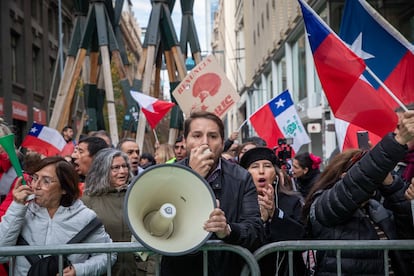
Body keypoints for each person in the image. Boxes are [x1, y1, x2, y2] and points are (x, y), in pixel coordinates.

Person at [302, 110, 414, 275]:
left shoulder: (376, 209)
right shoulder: (323, 205)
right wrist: (398, 141)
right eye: (356, 172)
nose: (369, 181)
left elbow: (406, 229)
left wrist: (391, 185)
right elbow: (356, 184)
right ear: (341, 175)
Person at [161, 111, 264, 276]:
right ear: (186, 141)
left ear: (223, 143)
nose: (205, 142)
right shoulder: (167, 176)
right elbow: (161, 225)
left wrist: (228, 230)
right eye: (196, 135)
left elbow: (255, 230)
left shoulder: (241, 178)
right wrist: (194, 177)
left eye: (213, 136)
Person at [0, 156, 116, 275]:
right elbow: (1, 253)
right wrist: (17, 207)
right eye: (34, 178)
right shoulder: (21, 212)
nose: (36, 186)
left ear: (64, 189)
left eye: (46, 181)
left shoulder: (85, 217)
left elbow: (107, 254)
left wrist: (79, 270)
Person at [240, 147, 306, 276]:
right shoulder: (238, 202)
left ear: (276, 175)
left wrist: (274, 214)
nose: (261, 171)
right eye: (254, 166)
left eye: (267, 166)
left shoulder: (292, 201)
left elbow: (302, 237)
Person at [82, 148, 140, 275]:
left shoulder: (137, 196)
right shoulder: (88, 200)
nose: (122, 171)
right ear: (102, 171)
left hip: (135, 271)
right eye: (116, 168)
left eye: (125, 166)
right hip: (104, 271)